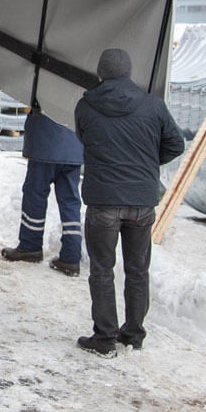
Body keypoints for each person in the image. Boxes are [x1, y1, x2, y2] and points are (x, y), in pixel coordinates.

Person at [73, 48, 184, 358]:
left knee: (102, 270)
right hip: (142, 203)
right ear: (129, 74)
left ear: (100, 74)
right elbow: (176, 144)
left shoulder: (86, 107)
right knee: (138, 270)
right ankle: (133, 334)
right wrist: (147, 163)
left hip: (103, 201)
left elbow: (85, 139)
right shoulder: (154, 106)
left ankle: (105, 338)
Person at [1, 107, 84, 277]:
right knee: (70, 202)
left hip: (45, 145)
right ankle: (71, 257)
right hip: (74, 148)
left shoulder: (47, 84)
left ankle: (30, 247)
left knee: (35, 196)